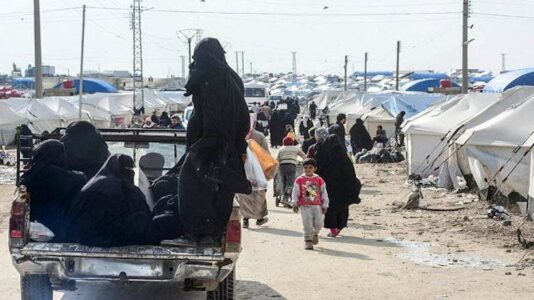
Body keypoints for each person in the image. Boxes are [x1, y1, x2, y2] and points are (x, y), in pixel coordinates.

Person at [166, 38, 251, 247]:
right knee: (216, 193)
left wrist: (206, 143)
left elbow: (212, 114)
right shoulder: (230, 78)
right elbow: (243, 117)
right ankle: (209, 236)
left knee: (191, 188)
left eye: (197, 57)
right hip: (225, 146)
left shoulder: (210, 79)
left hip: (210, 146)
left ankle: (193, 235)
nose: (193, 63)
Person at [68, 154, 177, 247]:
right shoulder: (121, 187)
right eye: (126, 169)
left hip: (85, 236)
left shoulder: (93, 184)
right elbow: (136, 215)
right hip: (112, 237)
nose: (130, 172)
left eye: (131, 169)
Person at [21, 140, 87, 242]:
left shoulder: (29, 176)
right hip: (66, 231)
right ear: (60, 155)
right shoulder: (72, 177)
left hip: (37, 231)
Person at [314, 134, 361, 237]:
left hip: (328, 187)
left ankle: (333, 229)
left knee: (329, 208)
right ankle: (339, 227)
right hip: (343, 189)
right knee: (342, 208)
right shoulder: (343, 156)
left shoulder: (323, 154)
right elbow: (351, 173)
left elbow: (317, 169)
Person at [291, 158, 329, 250]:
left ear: (315, 168)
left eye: (310, 167)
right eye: (305, 167)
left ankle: (315, 234)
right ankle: (308, 240)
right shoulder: (300, 180)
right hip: (305, 206)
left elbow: (324, 192)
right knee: (307, 223)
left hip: (317, 206)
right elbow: (295, 192)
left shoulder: (319, 179)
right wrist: (295, 203)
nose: (308, 169)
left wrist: (325, 205)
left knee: (319, 224)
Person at [237, 128, 270, 228]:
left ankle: (245, 219)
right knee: (259, 194)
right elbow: (266, 153)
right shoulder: (259, 136)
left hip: (241, 172)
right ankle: (259, 218)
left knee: (244, 195)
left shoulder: (236, 135)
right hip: (258, 171)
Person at [277, 136, 306, 206]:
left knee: (284, 182)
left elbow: (277, 159)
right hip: (291, 166)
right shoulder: (295, 148)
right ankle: (286, 198)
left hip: (282, 166)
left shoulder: (281, 149)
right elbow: (304, 156)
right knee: (290, 183)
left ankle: (284, 197)